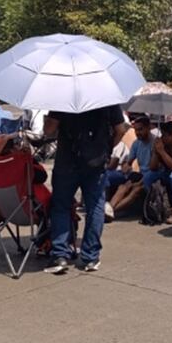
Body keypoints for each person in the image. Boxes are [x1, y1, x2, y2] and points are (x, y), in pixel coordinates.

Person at [43, 104, 128, 274]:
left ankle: (60, 255)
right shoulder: (107, 98)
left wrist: (49, 118)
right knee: (95, 207)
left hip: (67, 160)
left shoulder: (64, 96)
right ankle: (91, 256)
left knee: (61, 206)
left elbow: (49, 130)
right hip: (95, 162)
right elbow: (120, 129)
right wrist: (107, 148)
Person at [107, 116, 155, 217]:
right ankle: (109, 208)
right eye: (136, 130)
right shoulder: (136, 143)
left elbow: (154, 168)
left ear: (148, 128)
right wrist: (126, 166)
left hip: (153, 176)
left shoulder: (155, 143)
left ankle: (112, 211)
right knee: (124, 186)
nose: (138, 133)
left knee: (136, 189)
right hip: (140, 174)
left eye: (140, 129)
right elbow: (129, 162)